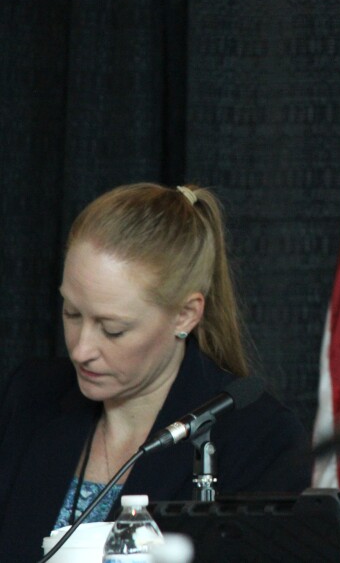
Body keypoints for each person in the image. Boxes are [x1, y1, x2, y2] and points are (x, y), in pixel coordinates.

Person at [0, 183, 311, 561]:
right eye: (71, 313)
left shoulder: (258, 439)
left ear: (185, 315)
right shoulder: (29, 396)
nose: (81, 349)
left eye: (113, 329)